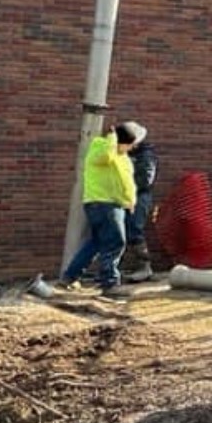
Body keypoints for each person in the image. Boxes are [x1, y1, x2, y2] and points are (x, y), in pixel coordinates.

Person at [59, 122, 141, 298]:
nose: (133, 147)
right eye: (130, 143)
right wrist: (112, 139)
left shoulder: (118, 154)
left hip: (107, 204)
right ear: (122, 141)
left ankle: (69, 276)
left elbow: (124, 181)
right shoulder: (103, 149)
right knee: (115, 241)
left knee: (96, 243)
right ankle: (109, 284)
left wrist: (130, 201)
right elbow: (106, 158)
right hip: (105, 204)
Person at [123, 123, 158, 282]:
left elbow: (145, 180)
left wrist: (128, 189)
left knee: (134, 230)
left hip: (139, 197)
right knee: (122, 231)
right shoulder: (128, 154)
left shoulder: (145, 155)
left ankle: (145, 267)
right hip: (126, 196)